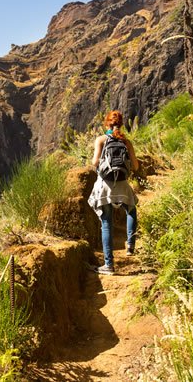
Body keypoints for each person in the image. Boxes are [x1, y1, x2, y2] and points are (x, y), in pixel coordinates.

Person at [87, 110, 139, 275]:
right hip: (122, 184)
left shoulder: (101, 140)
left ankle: (109, 265)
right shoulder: (126, 142)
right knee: (131, 209)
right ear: (121, 124)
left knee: (106, 224)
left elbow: (95, 162)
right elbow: (136, 166)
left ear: (106, 124)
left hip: (105, 185)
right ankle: (130, 245)